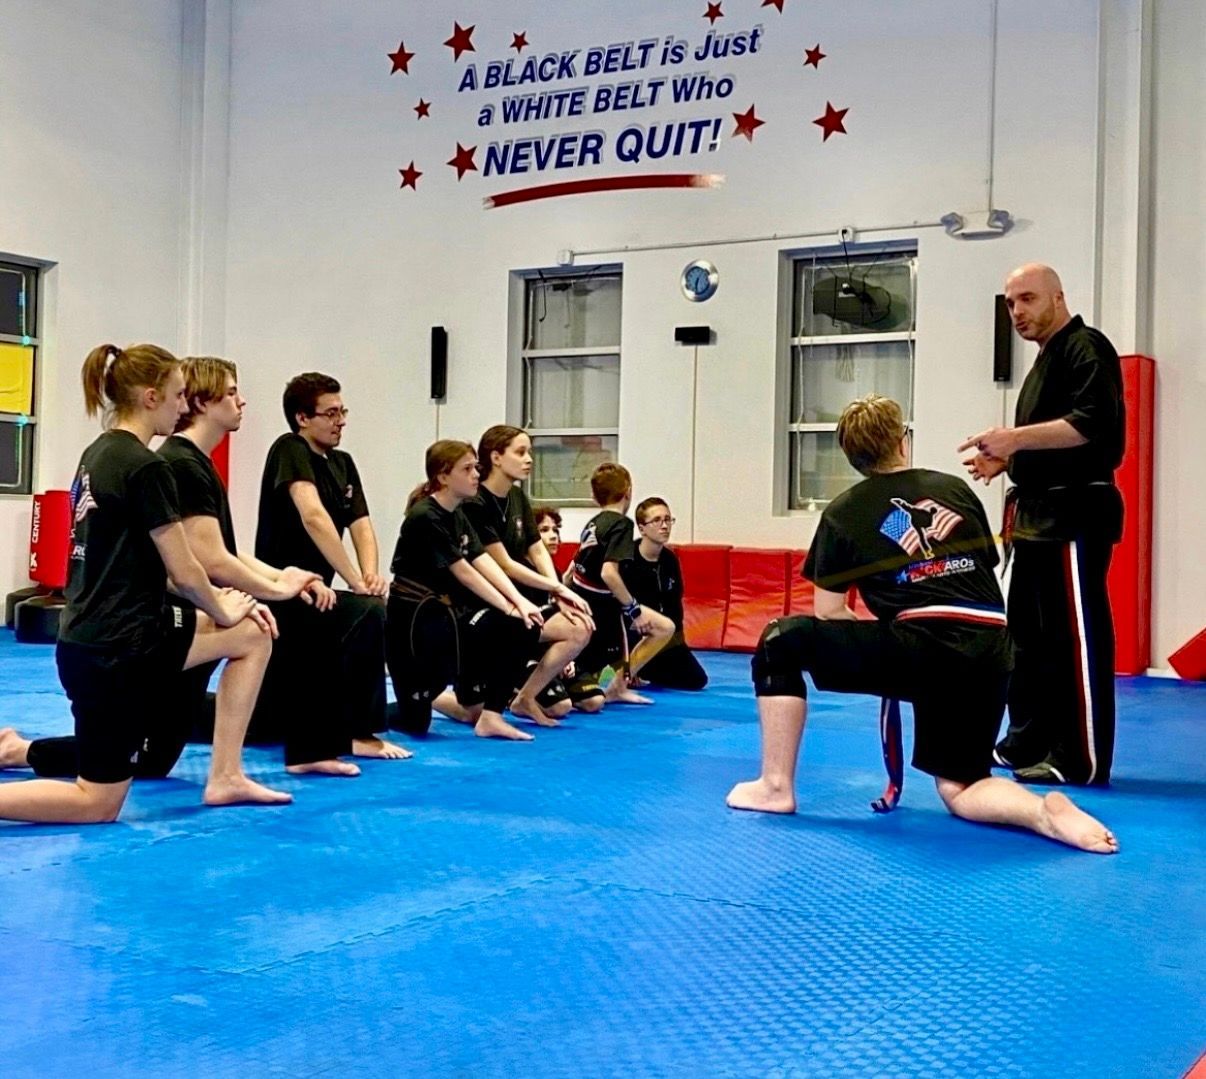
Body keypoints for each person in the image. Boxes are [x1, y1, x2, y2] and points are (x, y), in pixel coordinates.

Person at [727, 394, 1117, 854]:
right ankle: (1040, 814)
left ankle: (775, 786)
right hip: (991, 645)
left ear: (852, 458)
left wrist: (885, 656)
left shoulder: (843, 511)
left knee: (779, 641)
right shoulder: (954, 488)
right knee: (963, 784)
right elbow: (981, 571)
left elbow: (829, 614)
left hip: (921, 646)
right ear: (903, 442)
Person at [0, 343, 290, 824]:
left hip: (93, 636)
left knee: (253, 633)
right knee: (97, 802)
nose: (184, 405)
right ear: (151, 397)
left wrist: (228, 610)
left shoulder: (99, 453)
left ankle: (226, 775)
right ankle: (224, 774)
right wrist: (224, 608)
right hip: (120, 650)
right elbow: (187, 572)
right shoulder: (147, 467)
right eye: (178, 395)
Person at [960, 263, 1124, 787]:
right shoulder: (1043, 364)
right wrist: (1007, 461)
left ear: (1058, 296)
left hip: (1073, 517)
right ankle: (1028, 739)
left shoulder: (1086, 347)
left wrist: (1015, 441)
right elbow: (1048, 441)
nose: (1018, 312)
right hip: (1033, 521)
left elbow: (1093, 427)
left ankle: (1080, 758)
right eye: (1010, 304)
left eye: (1028, 299)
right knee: (1028, 641)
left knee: (1073, 641)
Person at [255, 372, 398, 758]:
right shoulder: (289, 448)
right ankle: (358, 732)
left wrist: (369, 574)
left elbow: (362, 526)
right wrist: (354, 580)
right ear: (303, 418)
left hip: (321, 595)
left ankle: (349, 724)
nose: (341, 421)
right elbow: (313, 516)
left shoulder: (343, 463)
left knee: (370, 607)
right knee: (366, 612)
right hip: (283, 592)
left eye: (343, 411)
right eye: (331, 413)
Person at [386, 441, 550, 742]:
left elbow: (483, 561)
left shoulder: (458, 513)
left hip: (446, 616)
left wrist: (519, 603)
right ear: (443, 476)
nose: (476, 474)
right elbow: (464, 571)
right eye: (467, 469)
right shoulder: (425, 516)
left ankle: (492, 717)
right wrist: (506, 605)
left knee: (522, 624)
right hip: (413, 622)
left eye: (476, 467)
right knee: (415, 722)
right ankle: (363, 713)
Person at [435, 425, 594, 725]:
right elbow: (504, 564)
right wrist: (558, 590)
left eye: (529, 452)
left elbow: (537, 550)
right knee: (473, 713)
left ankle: (524, 698)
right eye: (520, 452)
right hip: (477, 612)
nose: (529, 459)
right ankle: (426, 694)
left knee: (579, 627)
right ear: (496, 457)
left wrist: (558, 591)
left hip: (519, 609)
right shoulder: (475, 501)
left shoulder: (518, 498)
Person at [569, 463, 675, 705]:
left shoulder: (594, 523)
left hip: (586, 597)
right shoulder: (621, 524)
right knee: (662, 628)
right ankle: (615, 686)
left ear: (595, 497)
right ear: (628, 491)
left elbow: (577, 566)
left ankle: (616, 685)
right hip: (600, 602)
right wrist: (633, 609)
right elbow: (609, 573)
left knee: (664, 627)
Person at [622, 498, 708, 691]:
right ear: (642, 528)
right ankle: (629, 667)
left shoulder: (670, 561)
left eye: (668, 520)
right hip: (633, 634)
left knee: (696, 680)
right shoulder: (627, 559)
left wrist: (679, 644)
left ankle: (644, 669)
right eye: (657, 520)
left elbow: (675, 608)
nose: (665, 526)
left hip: (663, 635)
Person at [534, 505, 606, 713]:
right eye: (544, 530)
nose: (553, 536)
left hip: (554, 652)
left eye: (555, 530)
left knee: (594, 701)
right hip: (529, 653)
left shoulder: (555, 575)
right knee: (559, 707)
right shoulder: (523, 574)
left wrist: (566, 657)